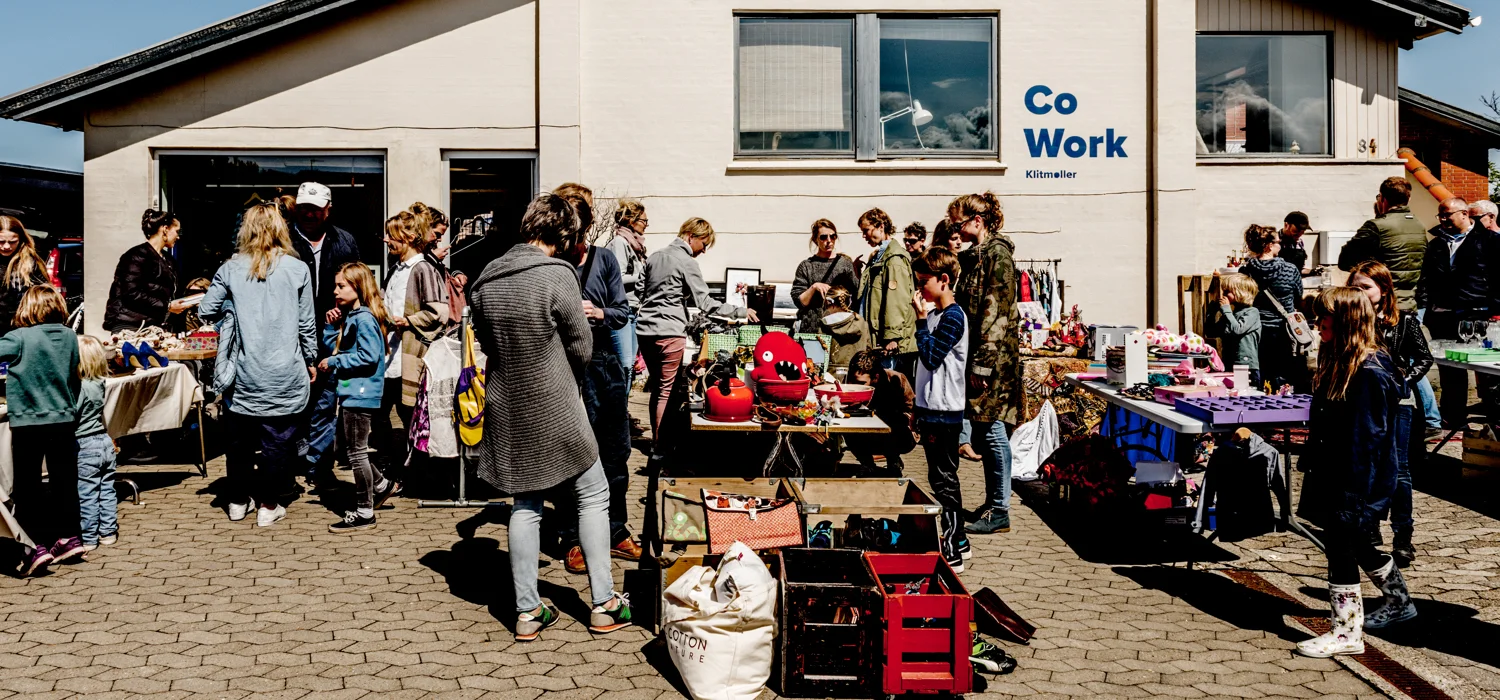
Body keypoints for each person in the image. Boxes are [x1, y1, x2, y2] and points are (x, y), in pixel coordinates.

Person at [469, 193, 632, 642]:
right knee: (595, 495)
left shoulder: (486, 278)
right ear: (563, 234)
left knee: (525, 504)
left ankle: (527, 612)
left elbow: (485, 341)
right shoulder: (557, 274)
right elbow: (581, 344)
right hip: (557, 403)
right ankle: (604, 604)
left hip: (508, 403)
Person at [1296, 287, 1416, 658]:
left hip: (1355, 479)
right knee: (1356, 542)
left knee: (1341, 547)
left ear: (1346, 320)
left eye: (1324, 318)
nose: (1317, 324)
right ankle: (1399, 601)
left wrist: (1356, 495)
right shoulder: (1343, 362)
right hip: (1338, 472)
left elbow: (1368, 440)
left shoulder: (1369, 371)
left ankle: (1347, 632)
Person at [199, 202, 318, 529]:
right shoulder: (298, 270)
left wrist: (233, 309)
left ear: (246, 230)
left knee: (238, 441)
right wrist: (311, 359)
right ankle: (269, 504)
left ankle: (237, 502)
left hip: (244, 372)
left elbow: (206, 310)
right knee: (277, 441)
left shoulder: (231, 268)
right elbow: (307, 325)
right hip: (285, 371)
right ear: (280, 229)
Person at [558, 186, 639, 574]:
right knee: (575, 454)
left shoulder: (604, 259)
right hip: (568, 368)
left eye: (579, 231)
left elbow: (622, 311)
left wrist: (600, 312)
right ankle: (572, 536)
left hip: (604, 365)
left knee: (616, 450)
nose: (574, 241)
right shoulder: (552, 263)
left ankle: (616, 529)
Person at [637, 217, 756, 440]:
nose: (703, 251)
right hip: (669, 331)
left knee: (658, 389)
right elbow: (705, 303)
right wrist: (740, 311)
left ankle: (658, 442)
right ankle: (660, 447)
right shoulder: (686, 261)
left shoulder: (654, 256)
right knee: (667, 391)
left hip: (644, 330)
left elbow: (639, 293)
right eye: (703, 244)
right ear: (691, 236)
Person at [1348, 260, 1431, 567]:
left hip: (1397, 403)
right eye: (1354, 286)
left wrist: (1401, 381)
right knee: (1366, 466)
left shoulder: (1403, 321)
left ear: (1383, 290)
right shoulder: (1351, 318)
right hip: (1362, 402)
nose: (1359, 292)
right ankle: (1368, 527)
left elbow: (1424, 357)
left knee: (1399, 470)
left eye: (1365, 287)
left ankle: (1403, 536)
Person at [948, 193, 1021, 535]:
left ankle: (1000, 509)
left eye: (958, 223)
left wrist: (982, 365)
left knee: (992, 431)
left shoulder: (997, 256)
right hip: (981, 357)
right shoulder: (976, 257)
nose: (955, 229)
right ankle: (994, 501)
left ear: (977, 221)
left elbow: (996, 313)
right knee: (983, 428)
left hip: (993, 362)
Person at [1, 286, 83, 576]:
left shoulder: (19, 337)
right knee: (64, 481)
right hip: (63, 417)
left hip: (28, 420)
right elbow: (75, 374)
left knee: (28, 485)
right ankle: (69, 536)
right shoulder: (71, 336)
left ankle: (32, 546)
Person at [320, 263, 400, 532]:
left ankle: (365, 511)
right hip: (353, 391)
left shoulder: (363, 318)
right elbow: (341, 346)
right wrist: (331, 328)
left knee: (356, 454)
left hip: (360, 392)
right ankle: (382, 485)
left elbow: (369, 356)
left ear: (358, 286)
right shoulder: (353, 316)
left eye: (341, 286)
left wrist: (334, 362)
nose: (335, 291)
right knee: (352, 451)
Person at [374, 211, 450, 485]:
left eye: (391, 235)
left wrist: (407, 320)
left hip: (410, 356)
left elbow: (440, 313)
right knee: (383, 414)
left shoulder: (423, 269)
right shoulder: (397, 269)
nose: (386, 240)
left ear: (407, 237)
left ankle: (415, 473)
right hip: (390, 357)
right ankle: (395, 470)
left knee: (410, 416)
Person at [910, 247, 970, 572]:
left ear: (943, 280)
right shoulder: (936, 315)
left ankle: (951, 550)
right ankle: (959, 539)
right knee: (941, 476)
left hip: (945, 412)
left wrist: (920, 322)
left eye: (923, 282)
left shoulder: (953, 317)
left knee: (944, 480)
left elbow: (931, 357)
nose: (919, 290)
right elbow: (925, 367)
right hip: (931, 408)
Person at [1417, 197, 1500, 427]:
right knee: (1450, 368)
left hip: (1477, 314)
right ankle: (1454, 417)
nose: (1443, 219)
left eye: (1448, 214)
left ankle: (1494, 417)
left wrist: (1494, 310)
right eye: (1440, 215)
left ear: (1464, 214)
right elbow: (1426, 278)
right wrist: (1425, 306)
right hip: (1442, 315)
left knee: (1486, 368)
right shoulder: (1436, 244)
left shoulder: (1489, 241)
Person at [1339, 177, 1426, 313]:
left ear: (1383, 199)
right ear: (1408, 199)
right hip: (1410, 303)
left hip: (1382, 305)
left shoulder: (1376, 226)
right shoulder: (1419, 225)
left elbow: (1345, 261)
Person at [104, 209, 192, 332]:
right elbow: (130, 293)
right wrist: (167, 306)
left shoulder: (169, 260)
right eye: (177, 231)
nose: (178, 237)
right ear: (165, 229)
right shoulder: (135, 256)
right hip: (131, 326)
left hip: (155, 326)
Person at [1240, 224, 1305, 391]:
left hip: (1255, 330)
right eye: (1278, 241)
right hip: (1285, 330)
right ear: (1269, 245)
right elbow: (1298, 295)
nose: (1280, 244)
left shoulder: (1246, 270)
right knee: (1285, 377)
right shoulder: (1290, 270)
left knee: (1261, 376)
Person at [288, 182, 363, 323]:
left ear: (328, 209)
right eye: (304, 208)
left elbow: (358, 284)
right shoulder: (284, 241)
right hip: (292, 325)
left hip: (336, 327)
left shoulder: (344, 242)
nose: (309, 214)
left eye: (316, 209)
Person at [857, 208, 918, 381]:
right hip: (877, 336)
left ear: (881, 226)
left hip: (887, 341)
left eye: (866, 230)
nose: (864, 236)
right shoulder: (879, 256)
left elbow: (896, 299)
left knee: (889, 384)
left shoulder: (894, 259)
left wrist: (892, 336)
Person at [74, 335, 118, 553]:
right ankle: (108, 532)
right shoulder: (99, 383)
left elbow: (73, 413)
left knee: (87, 492)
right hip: (103, 441)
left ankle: (89, 536)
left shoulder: (80, 387)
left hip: (84, 444)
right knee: (107, 489)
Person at [844, 349, 915, 477]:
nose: (856, 386)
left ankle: (893, 461)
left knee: (892, 419)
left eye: (861, 384)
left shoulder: (896, 380)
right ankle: (867, 464)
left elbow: (910, 410)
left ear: (875, 377)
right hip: (862, 430)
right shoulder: (848, 381)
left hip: (896, 431)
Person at [605, 199, 649, 393]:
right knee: (624, 365)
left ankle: (623, 415)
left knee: (630, 366)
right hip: (622, 311)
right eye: (644, 220)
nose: (646, 224)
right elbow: (618, 278)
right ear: (631, 220)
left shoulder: (635, 246)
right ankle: (617, 416)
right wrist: (645, 274)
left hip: (634, 310)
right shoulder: (620, 243)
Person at [792, 219, 858, 335]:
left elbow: (855, 295)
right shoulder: (806, 266)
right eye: (823, 237)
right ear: (815, 240)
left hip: (839, 328)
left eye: (833, 236)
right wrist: (814, 287)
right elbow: (799, 301)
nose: (829, 241)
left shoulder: (845, 264)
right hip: (812, 328)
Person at [0, 216, 53, 337]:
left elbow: (44, 296)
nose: (7, 246)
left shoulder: (30, 263)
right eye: (1, 241)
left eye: (13, 242)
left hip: (22, 328)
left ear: (21, 240)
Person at [1216, 273, 1262, 384]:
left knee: (1245, 394)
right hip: (1230, 362)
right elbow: (1212, 331)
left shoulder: (1252, 312)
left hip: (1245, 365)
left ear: (1240, 292)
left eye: (1227, 291)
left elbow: (1238, 329)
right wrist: (1213, 312)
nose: (1224, 295)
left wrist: (1227, 310)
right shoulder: (1231, 314)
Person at [820, 286, 870, 373]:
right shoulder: (861, 323)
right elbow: (868, 349)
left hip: (830, 377)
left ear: (828, 302)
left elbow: (819, 355)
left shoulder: (824, 325)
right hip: (856, 376)